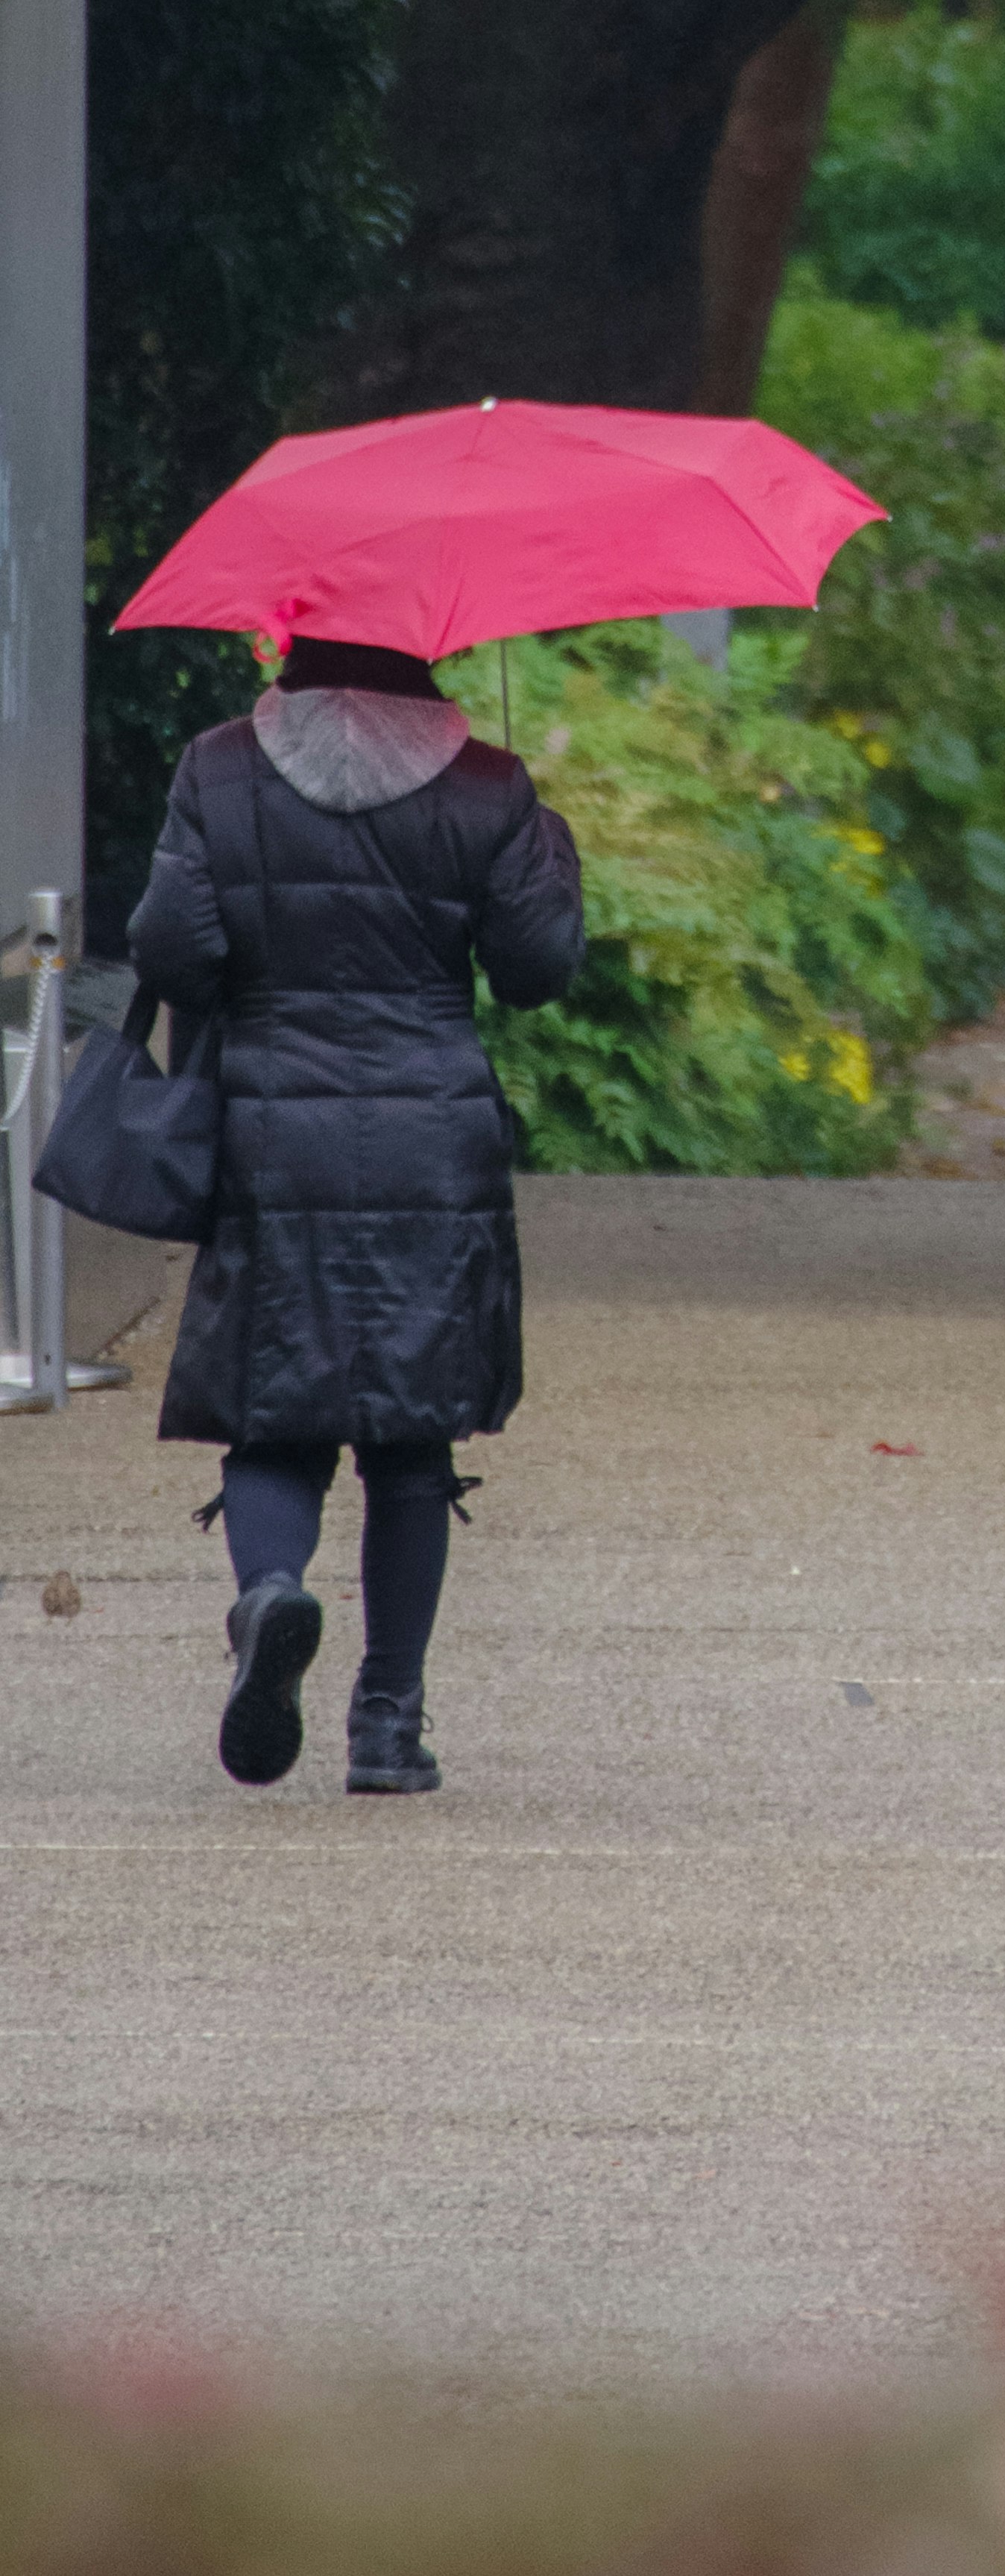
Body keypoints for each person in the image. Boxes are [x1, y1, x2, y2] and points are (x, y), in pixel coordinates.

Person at [128, 632, 585, 1795]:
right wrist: (546, 849)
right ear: (431, 645)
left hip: (274, 1133)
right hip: (433, 1144)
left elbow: (174, 954)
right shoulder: (487, 783)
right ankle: (386, 1727)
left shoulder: (218, 769)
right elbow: (535, 969)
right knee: (410, 1438)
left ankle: (271, 1592)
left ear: (292, 637)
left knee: (274, 1416)